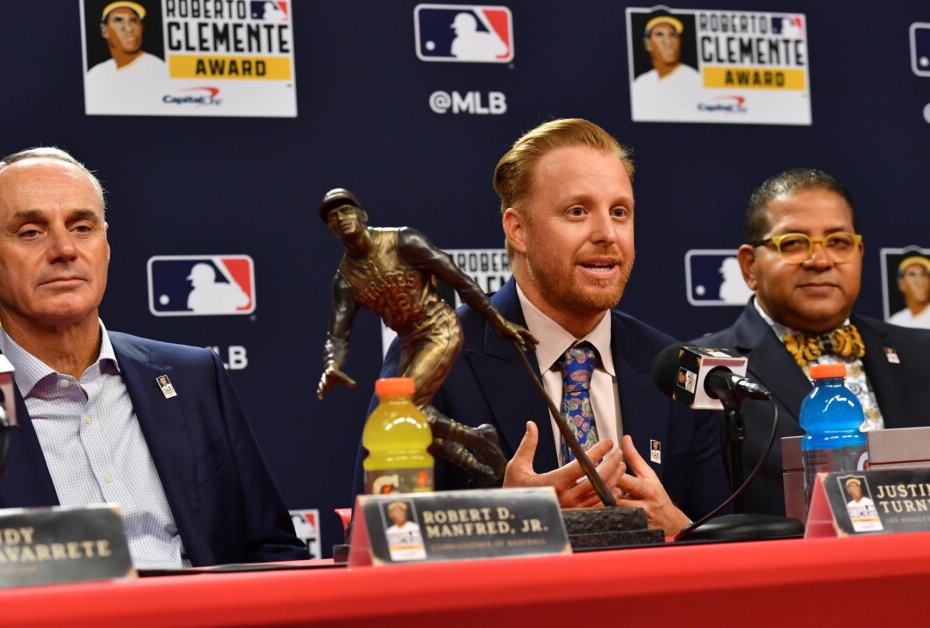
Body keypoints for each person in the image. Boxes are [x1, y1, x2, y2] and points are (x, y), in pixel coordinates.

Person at [0, 147, 306, 568]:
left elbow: (273, 549)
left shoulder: (194, 377)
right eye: (31, 232)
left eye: (82, 227)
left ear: (105, 243)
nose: (64, 249)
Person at [372, 118, 730, 535]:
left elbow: (725, 548)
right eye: (577, 212)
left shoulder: (675, 370)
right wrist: (507, 522)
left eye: (620, 212)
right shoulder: (433, 361)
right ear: (518, 230)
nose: (607, 234)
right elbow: (384, 539)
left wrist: (677, 527)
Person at [694, 169, 930, 517]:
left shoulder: (922, 353)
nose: (820, 261)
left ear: (859, 253)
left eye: (838, 242)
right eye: (792, 243)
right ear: (749, 267)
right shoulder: (707, 372)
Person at [317, 188, 537, 486]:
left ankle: (476, 446)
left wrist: (498, 320)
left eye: (346, 211)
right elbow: (338, 334)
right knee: (403, 425)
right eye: (333, 217)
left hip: (438, 327)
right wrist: (332, 365)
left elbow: (457, 278)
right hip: (410, 342)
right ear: (330, 229)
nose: (341, 218)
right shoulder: (345, 279)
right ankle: (479, 457)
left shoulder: (401, 240)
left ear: (362, 215)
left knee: (404, 409)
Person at [85, 1, 167, 112]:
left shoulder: (157, 69)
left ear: (141, 27)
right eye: (118, 20)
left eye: (133, 20)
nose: (128, 28)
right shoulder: (96, 73)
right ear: (104, 30)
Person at [631, 11, 702, 119]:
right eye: (659, 34)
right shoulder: (641, 82)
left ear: (679, 41)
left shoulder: (694, 80)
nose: (667, 42)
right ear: (648, 43)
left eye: (672, 35)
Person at [888, 255, 930, 329]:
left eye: (924, 275)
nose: (920, 282)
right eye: (912, 275)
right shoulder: (896, 321)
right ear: (901, 283)